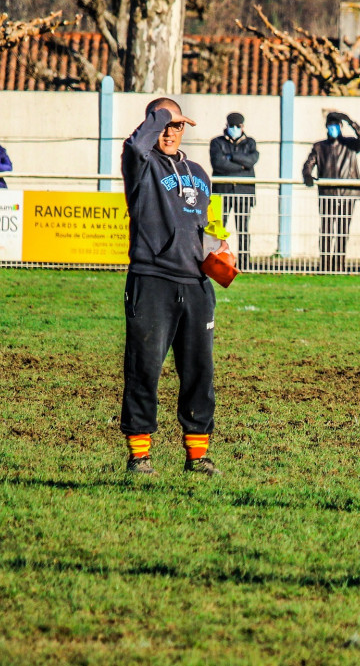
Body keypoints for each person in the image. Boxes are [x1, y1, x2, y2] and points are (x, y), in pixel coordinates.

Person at [120, 97, 219, 477]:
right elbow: (134, 145)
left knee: (199, 371)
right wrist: (160, 115)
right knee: (144, 368)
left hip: (196, 284)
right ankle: (139, 454)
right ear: (152, 123)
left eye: (178, 125)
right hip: (152, 280)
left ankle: (197, 454)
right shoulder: (141, 166)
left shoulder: (198, 171)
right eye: (164, 124)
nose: (171, 131)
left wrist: (219, 248)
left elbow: (207, 225)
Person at [302, 111, 360, 272]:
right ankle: (325, 265)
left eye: (337, 125)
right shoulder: (320, 147)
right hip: (327, 193)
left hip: (347, 193)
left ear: (341, 127)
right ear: (326, 127)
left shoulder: (350, 144)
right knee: (326, 230)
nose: (333, 129)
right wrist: (307, 175)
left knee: (342, 230)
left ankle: (339, 265)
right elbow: (309, 163)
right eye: (331, 126)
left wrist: (352, 123)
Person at [210, 112, 259, 270]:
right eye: (232, 126)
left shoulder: (250, 143)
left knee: (243, 229)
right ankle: (217, 261)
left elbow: (252, 160)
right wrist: (242, 166)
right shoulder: (217, 143)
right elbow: (218, 164)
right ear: (227, 126)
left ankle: (244, 263)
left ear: (243, 127)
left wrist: (230, 157)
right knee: (219, 230)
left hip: (244, 192)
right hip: (222, 192)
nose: (235, 129)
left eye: (238, 126)